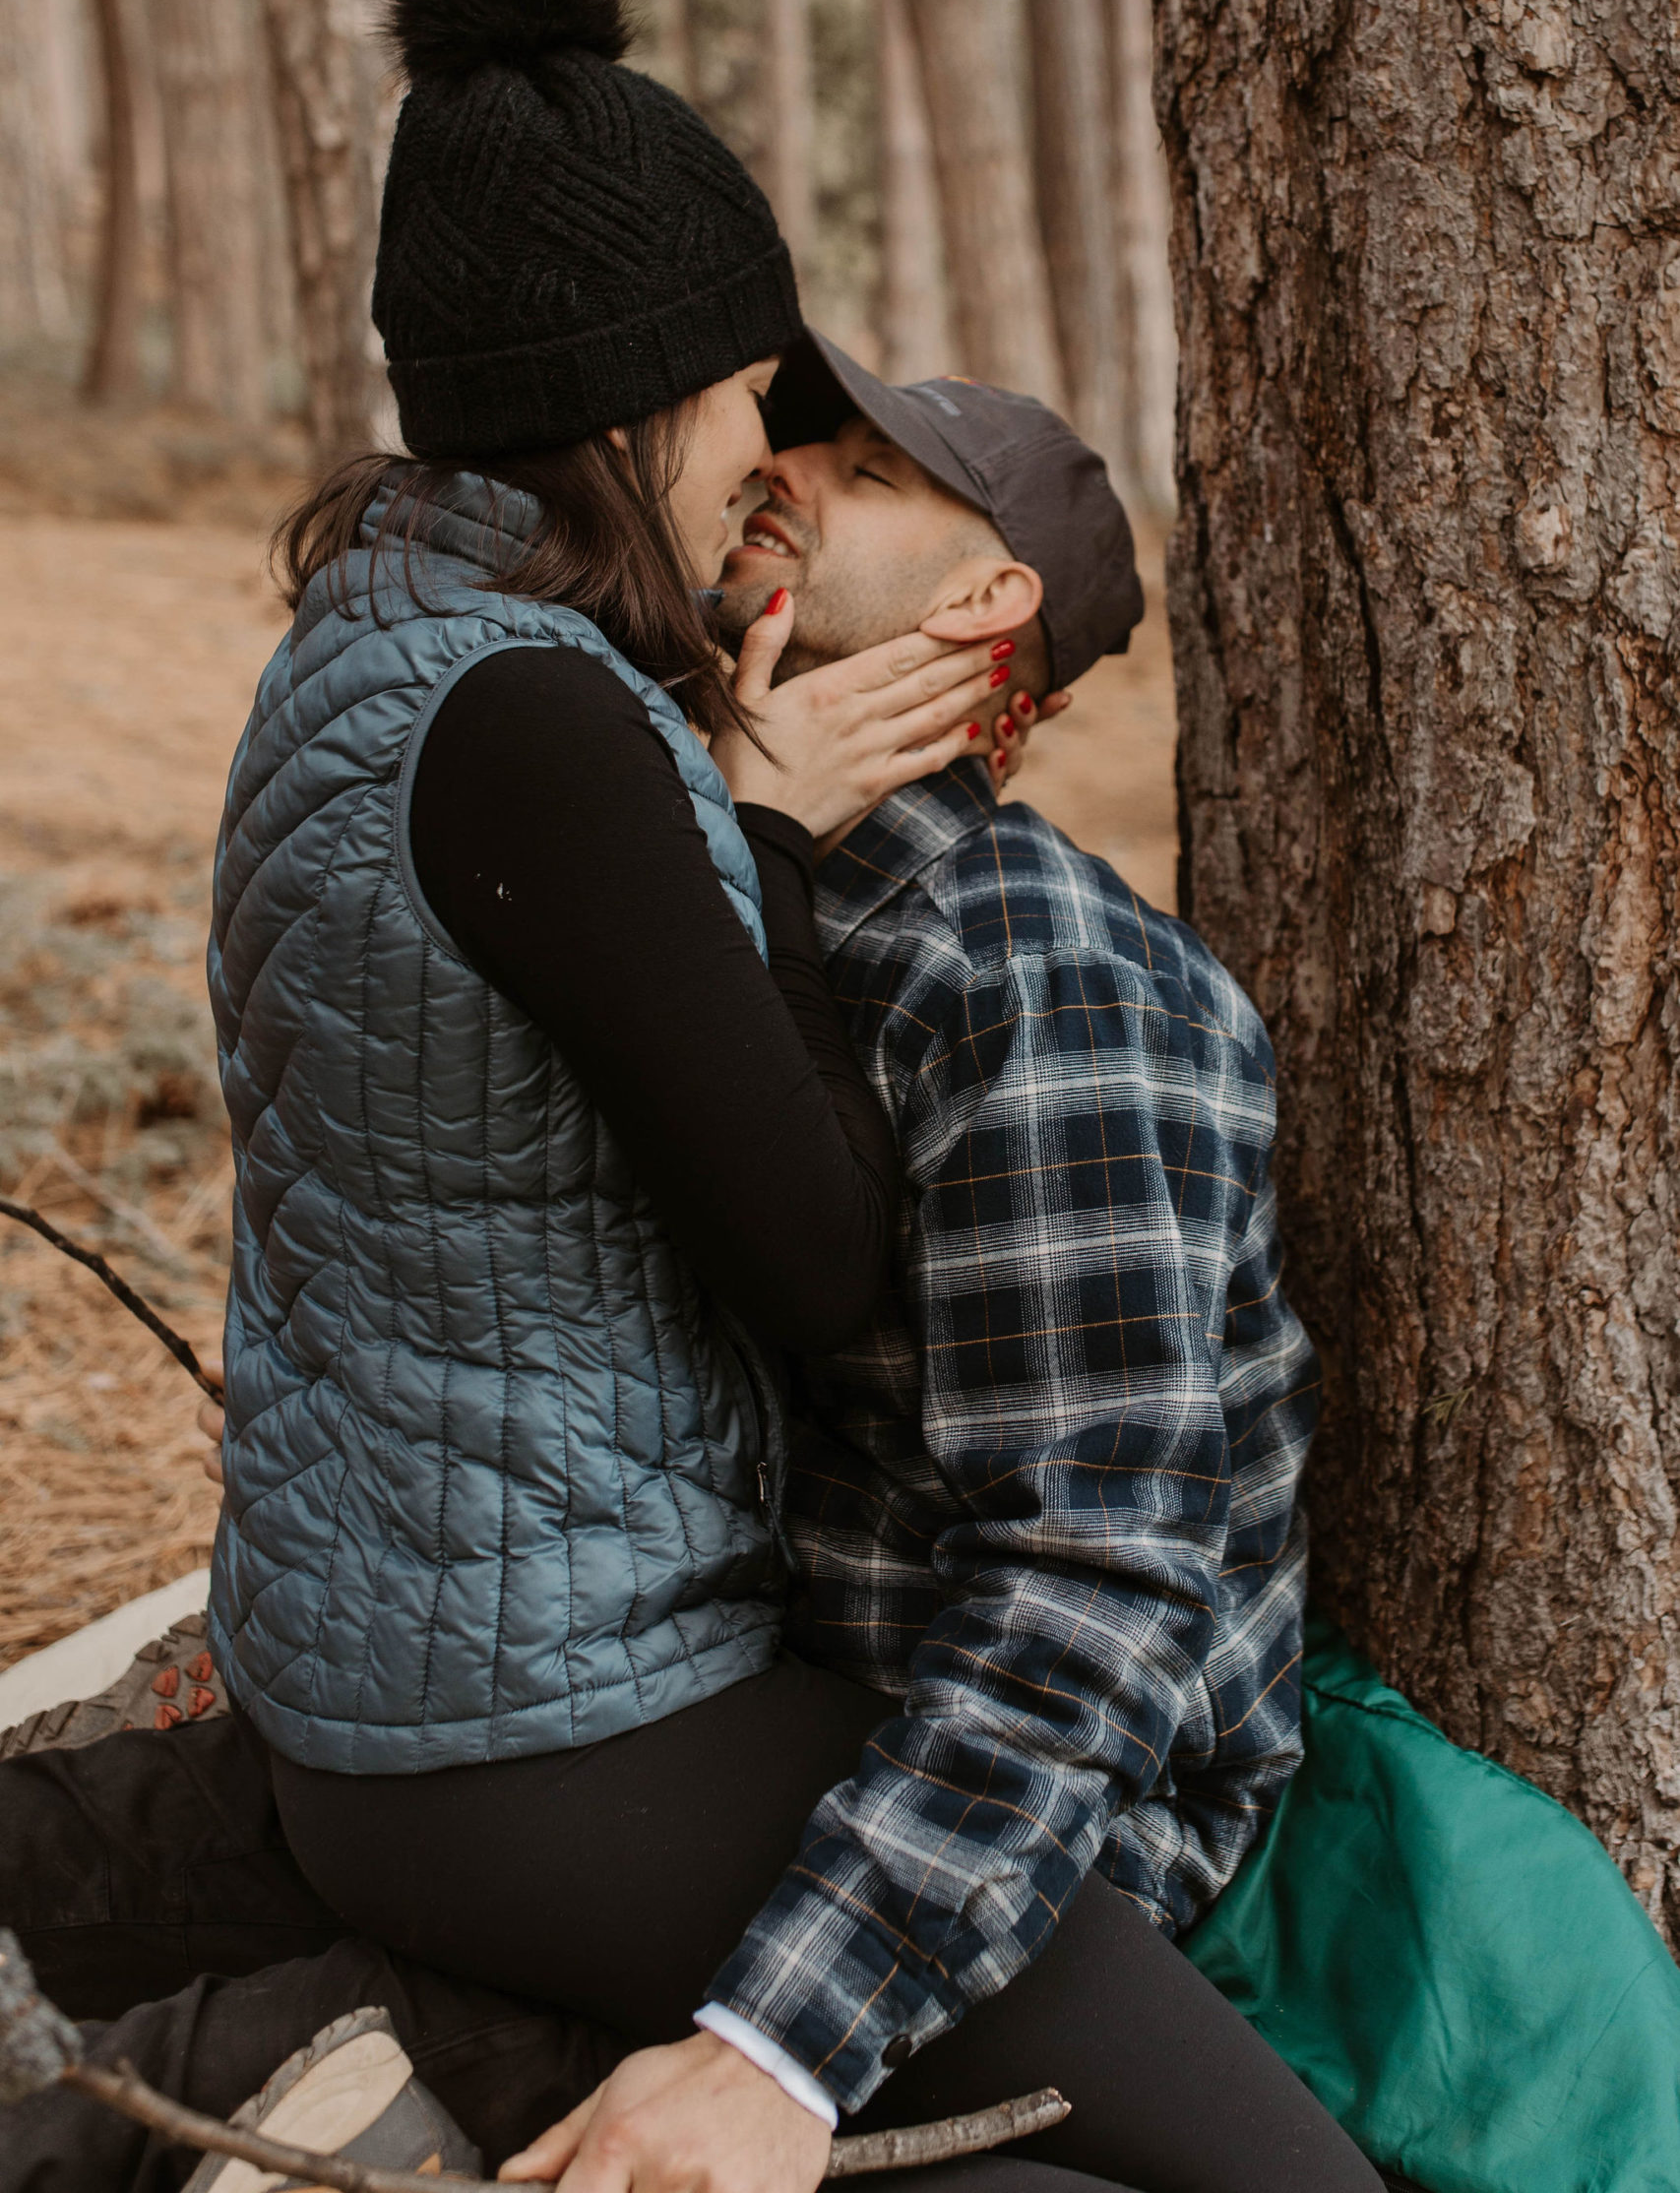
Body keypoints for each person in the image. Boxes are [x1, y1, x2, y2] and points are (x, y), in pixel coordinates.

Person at [0, 335, 1383, 2193]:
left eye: (868, 471)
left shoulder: (1044, 981)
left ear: (987, 603)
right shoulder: (693, 855)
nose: (779, 469)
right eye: (782, 429)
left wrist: (771, 2047)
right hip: (684, 1719)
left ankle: (348, 2068)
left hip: (977, 1806)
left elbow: (1094, 1587)